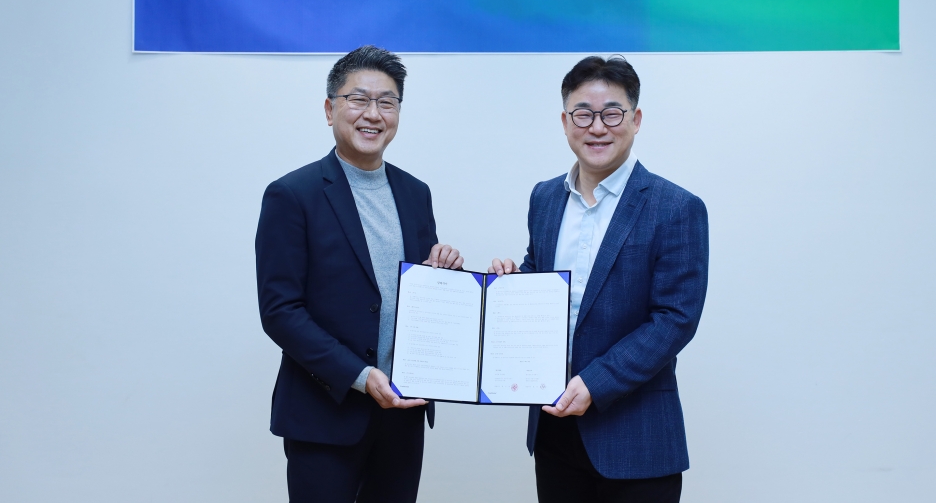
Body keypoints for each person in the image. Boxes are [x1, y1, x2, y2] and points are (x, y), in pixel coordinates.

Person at [490, 56, 709, 503]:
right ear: (565, 122)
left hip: (636, 438)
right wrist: (511, 284)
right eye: (583, 114)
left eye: (611, 114)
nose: (596, 127)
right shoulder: (545, 197)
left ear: (636, 119)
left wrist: (596, 382)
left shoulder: (676, 208)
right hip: (554, 429)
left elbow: (674, 320)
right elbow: (541, 276)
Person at [256, 46, 463, 503]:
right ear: (330, 109)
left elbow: (417, 296)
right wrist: (360, 375)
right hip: (325, 413)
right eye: (359, 99)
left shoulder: (415, 193)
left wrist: (444, 274)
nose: (373, 114)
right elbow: (280, 312)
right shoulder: (292, 195)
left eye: (387, 102)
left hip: (403, 412)